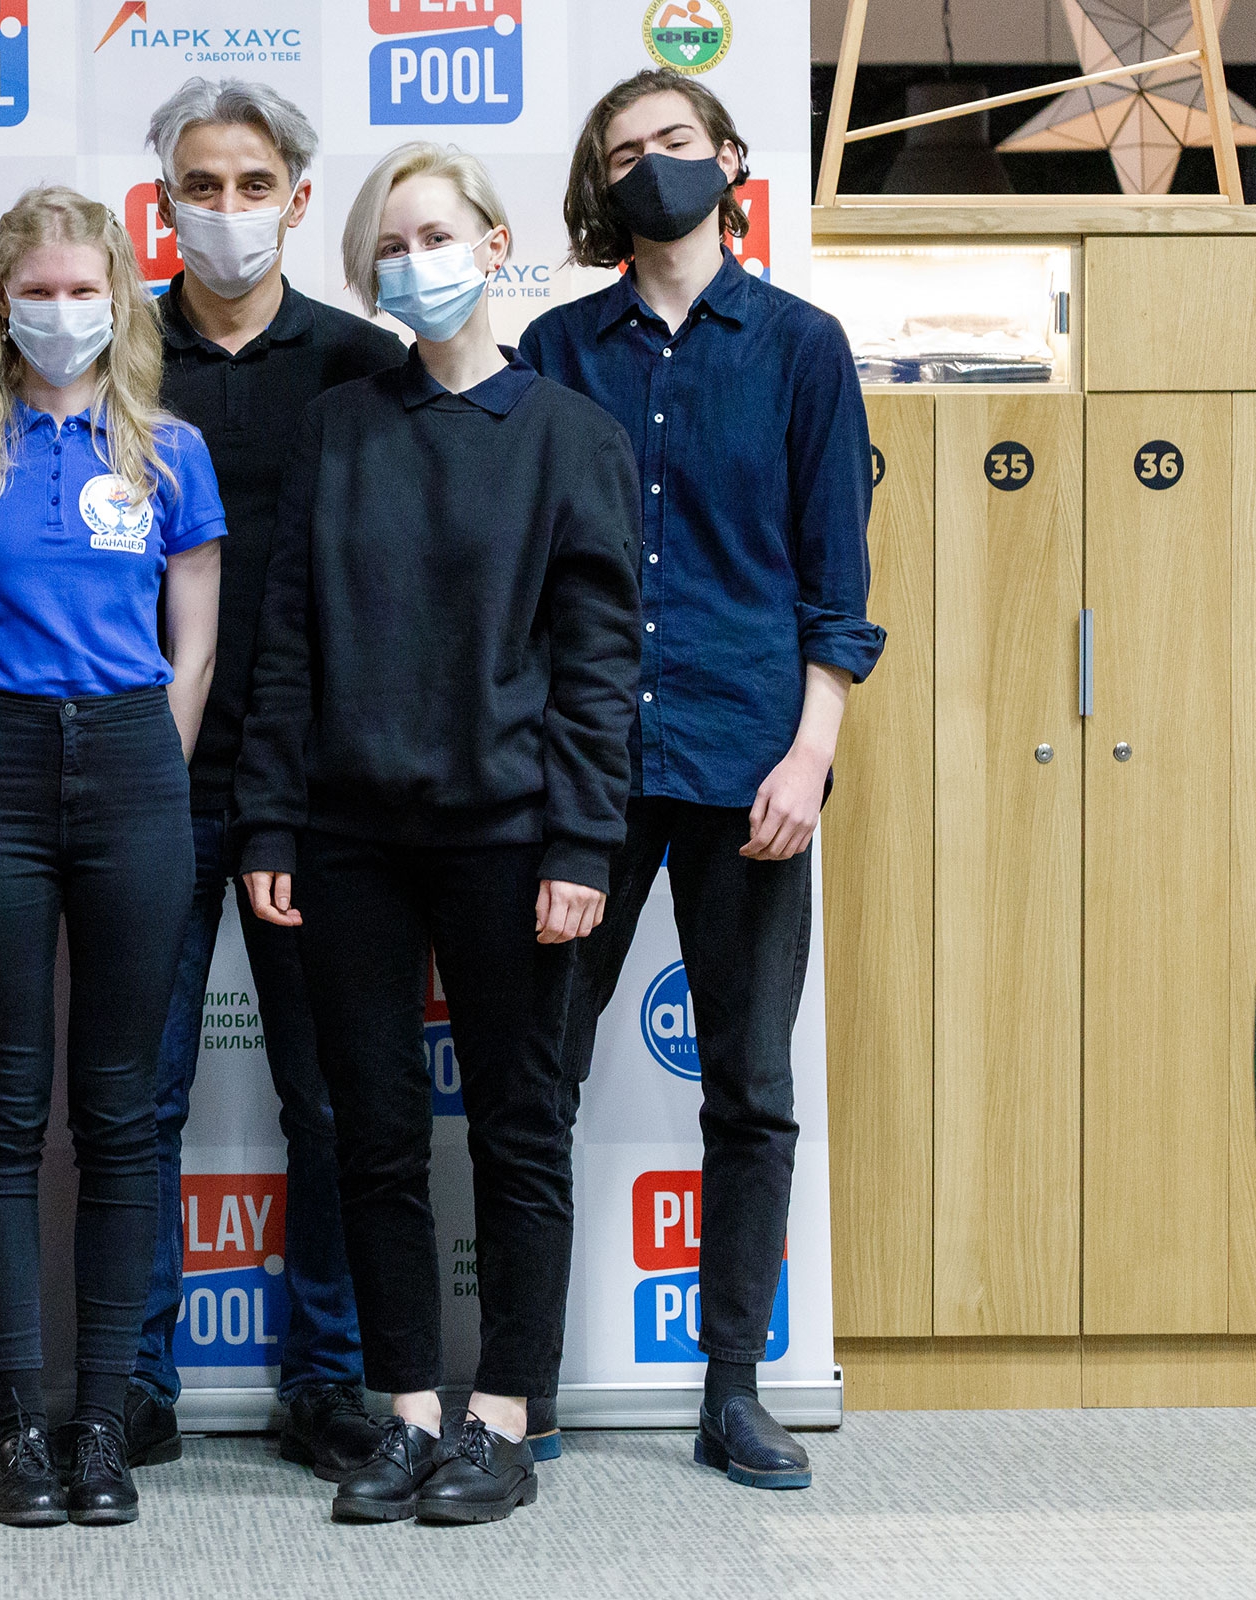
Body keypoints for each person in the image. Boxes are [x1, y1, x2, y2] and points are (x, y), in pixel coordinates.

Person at [235, 143, 642, 1527]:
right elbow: (287, 638)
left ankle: (507, 1418)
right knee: (373, 1134)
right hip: (347, 836)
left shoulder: (572, 436)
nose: (416, 262)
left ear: (495, 243)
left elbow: (598, 668)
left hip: (513, 840)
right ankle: (410, 1412)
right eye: (391, 246)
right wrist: (271, 816)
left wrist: (581, 845)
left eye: (437, 234)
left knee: (522, 1131)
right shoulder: (339, 429)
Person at [517, 69, 882, 1493]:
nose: (653, 166)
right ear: (599, 187)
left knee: (751, 1086)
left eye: (675, 142)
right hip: (589, 770)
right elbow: (529, 576)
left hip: (751, 765)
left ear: (729, 161)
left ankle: (735, 1392)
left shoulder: (802, 346)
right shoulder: (556, 349)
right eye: (625, 153)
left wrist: (811, 752)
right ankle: (519, 1391)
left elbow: (835, 579)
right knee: (536, 1079)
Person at [0, 185, 225, 1528]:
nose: (58, 311)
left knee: (119, 1115)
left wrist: (144, 756)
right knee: (2, 1112)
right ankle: (21, 1431)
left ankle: (101, 1422)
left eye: (80, 289)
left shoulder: (171, 450)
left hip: (134, 767)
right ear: (1, 304)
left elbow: (194, 643)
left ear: (118, 299)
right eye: (33, 291)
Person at [121, 77, 406, 1478]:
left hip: (319, 792)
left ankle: (331, 1380)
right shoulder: (111, 350)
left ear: (296, 199)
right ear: (161, 199)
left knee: (336, 1099)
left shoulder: (366, 363)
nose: (224, 210)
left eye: (251, 186)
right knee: (137, 1096)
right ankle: (131, 1376)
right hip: (147, 778)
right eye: (199, 185)